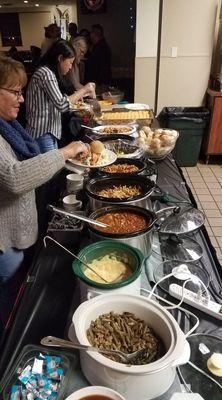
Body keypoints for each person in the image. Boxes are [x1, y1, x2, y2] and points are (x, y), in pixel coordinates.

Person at [0, 55, 88, 330]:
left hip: (18, 235)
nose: (22, 99)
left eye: (21, 92)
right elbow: (15, 178)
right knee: (7, 305)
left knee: (16, 297)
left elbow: (28, 166)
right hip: (5, 242)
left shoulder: (9, 127)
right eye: (15, 92)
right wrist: (64, 152)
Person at [26, 39, 95, 153]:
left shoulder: (48, 73)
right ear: (60, 58)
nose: (70, 67)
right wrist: (84, 89)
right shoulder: (46, 74)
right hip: (43, 133)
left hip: (48, 132)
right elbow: (62, 105)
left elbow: (59, 102)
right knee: (51, 169)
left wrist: (77, 97)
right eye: (70, 62)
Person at [85, 24, 111, 90]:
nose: (90, 35)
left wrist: (98, 83)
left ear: (95, 34)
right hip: (98, 81)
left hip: (100, 83)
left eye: (91, 32)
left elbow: (103, 67)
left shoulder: (102, 47)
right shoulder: (97, 46)